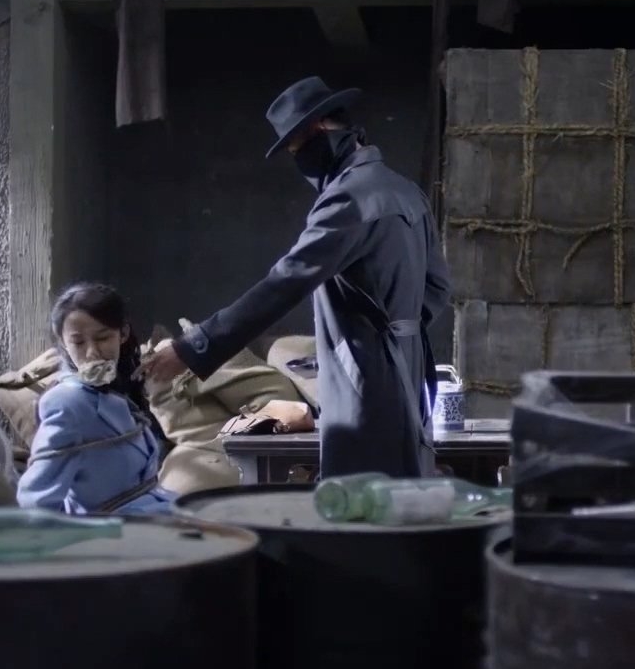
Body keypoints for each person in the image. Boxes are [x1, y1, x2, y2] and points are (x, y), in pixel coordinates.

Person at [139, 77, 451, 480]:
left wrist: (194, 347)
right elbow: (438, 287)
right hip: (411, 370)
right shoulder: (407, 192)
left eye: (295, 148)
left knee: (359, 494)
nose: (298, 159)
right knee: (404, 490)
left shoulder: (348, 199)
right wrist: (400, 335)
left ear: (318, 129)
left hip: (365, 377)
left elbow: (284, 283)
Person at [16, 282, 174, 515]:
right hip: (116, 528)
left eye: (102, 338)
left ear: (123, 334)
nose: (92, 353)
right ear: (62, 342)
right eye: (78, 342)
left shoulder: (119, 388)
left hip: (155, 511)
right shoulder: (67, 403)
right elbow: (36, 502)